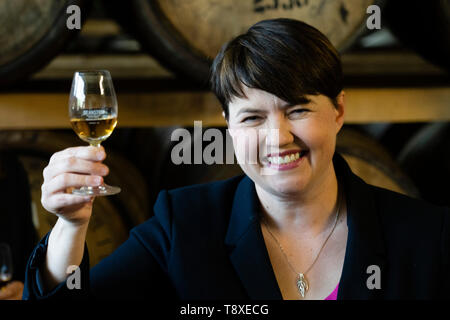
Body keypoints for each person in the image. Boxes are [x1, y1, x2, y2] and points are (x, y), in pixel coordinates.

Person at [23, 18, 449, 300]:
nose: (277, 137)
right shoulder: (185, 224)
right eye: (252, 117)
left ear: (338, 111)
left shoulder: (426, 236)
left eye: (298, 110)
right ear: (228, 124)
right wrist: (72, 225)